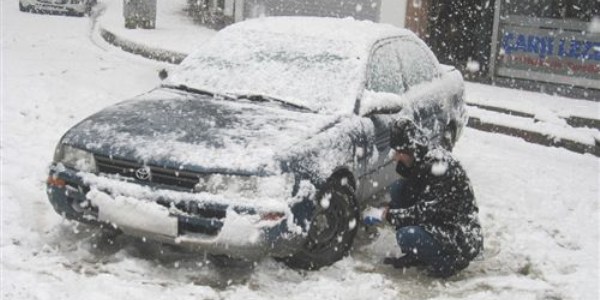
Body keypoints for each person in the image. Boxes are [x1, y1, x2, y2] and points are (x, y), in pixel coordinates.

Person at [363, 118, 483, 278]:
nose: (394, 158)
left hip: (460, 237)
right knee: (398, 188)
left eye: (398, 152)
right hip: (443, 221)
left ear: (410, 149)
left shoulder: (440, 169)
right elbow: (416, 197)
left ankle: (445, 264)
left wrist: (388, 214)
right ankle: (417, 253)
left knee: (407, 235)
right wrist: (388, 208)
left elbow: (425, 211)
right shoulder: (422, 159)